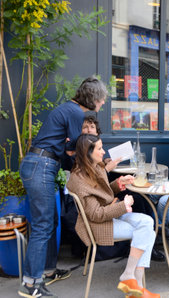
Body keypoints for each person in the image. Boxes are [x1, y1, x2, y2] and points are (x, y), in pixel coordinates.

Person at [18, 77, 107, 297]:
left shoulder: (69, 110)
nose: (103, 103)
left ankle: (46, 271)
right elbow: (78, 149)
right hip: (42, 165)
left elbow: (70, 148)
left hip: (40, 164)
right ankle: (30, 284)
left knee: (50, 221)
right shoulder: (76, 113)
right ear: (94, 97)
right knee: (42, 225)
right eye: (102, 99)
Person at [66, 134, 159, 298]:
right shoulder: (79, 179)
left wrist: (118, 184)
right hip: (98, 225)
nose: (104, 152)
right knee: (147, 231)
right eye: (100, 149)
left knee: (148, 222)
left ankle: (134, 284)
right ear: (88, 152)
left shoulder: (92, 168)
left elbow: (100, 194)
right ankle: (133, 281)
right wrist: (124, 205)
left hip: (109, 214)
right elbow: (96, 214)